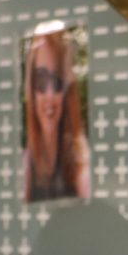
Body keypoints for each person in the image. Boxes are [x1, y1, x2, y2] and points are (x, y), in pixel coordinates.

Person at [22, 26, 89, 202]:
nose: (50, 95)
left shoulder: (81, 160)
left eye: (58, 82)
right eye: (41, 81)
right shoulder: (26, 163)